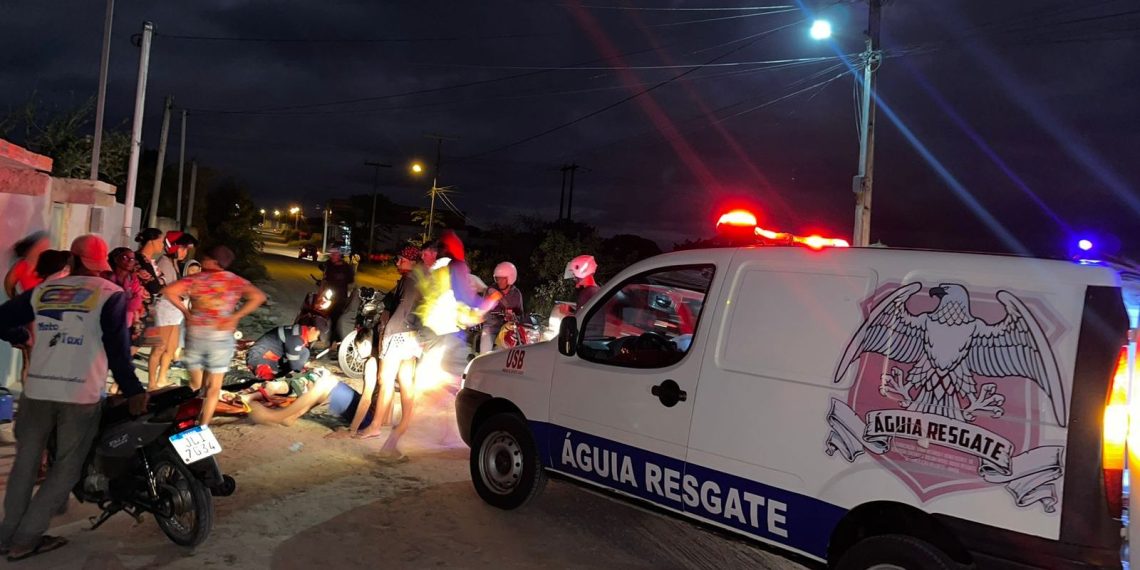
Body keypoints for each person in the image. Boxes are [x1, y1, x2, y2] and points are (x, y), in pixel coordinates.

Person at [0, 235, 147, 562]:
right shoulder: (110, 294)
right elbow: (118, 351)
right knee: (66, 467)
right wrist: (134, 391)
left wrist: (21, 337)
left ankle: (7, 535)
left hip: (37, 390)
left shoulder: (43, 290)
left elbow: (1, 319)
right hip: (80, 394)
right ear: (99, 265)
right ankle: (26, 538)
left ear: (72, 260)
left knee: (25, 463)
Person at [161, 245, 266, 426]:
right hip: (221, 337)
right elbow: (258, 297)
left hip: (197, 336)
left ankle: (185, 420)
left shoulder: (195, 279)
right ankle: (202, 427)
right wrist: (235, 316)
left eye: (206, 257)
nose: (202, 260)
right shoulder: (233, 281)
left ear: (214, 262)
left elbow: (168, 291)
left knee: (195, 385)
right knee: (213, 389)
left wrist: (186, 312)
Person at [356, 246, 423, 443]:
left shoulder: (409, 281)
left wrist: (386, 337)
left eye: (401, 259)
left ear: (411, 261)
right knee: (405, 382)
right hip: (411, 336)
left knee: (385, 380)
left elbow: (401, 310)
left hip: (398, 336)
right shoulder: (415, 281)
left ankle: (375, 426)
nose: (397, 262)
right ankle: (403, 423)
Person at [246, 368, 375, 433]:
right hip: (366, 416)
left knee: (326, 383)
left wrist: (351, 432)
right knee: (324, 382)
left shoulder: (372, 361)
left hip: (365, 418)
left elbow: (366, 400)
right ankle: (292, 415)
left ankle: (275, 416)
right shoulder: (377, 358)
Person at [148, 232, 196, 390]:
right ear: (174, 247)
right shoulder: (164, 263)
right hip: (164, 312)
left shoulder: (173, 263)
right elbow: (166, 289)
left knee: (171, 348)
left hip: (173, 313)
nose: (185, 252)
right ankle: (151, 383)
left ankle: (162, 378)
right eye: (183, 248)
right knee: (158, 348)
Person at [245, 324, 321, 382]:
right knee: (269, 382)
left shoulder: (299, 331)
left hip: (271, 358)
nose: (316, 338)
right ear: (313, 329)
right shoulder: (296, 338)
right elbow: (295, 366)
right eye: (318, 335)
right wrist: (303, 371)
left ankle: (281, 376)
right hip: (259, 357)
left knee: (305, 352)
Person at [480, 261, 524, 353]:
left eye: (502, 278)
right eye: (497, 278)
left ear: (510, 278)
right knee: (485, 352)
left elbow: (520, 314)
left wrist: (513, 317)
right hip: (491, 327)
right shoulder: (491, 290)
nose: (498, 281)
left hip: (508, 329)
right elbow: (483, 308)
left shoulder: (516, 294)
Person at [107, 247, 146, 348]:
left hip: (127, 323)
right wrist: (130, 301)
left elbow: (136, 303)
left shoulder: (132, 278)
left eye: (132, 259)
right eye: (125, 257)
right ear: (116, 259)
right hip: (109, 323)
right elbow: (113, 303)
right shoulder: (108, 277)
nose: (129, 261)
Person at [320, 249, 355, 345]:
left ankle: (334, 342)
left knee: (334, 320)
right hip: (329, 298)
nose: (332, 256)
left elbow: (351, 283)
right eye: (331, 254)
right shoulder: (330, 266)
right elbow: (325, 280)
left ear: (339, 255)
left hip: (341, 299)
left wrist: (349, 298)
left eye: (334, 254)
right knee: (332, 320)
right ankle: (336, 343)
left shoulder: (346, 268)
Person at [3, 231, 50, 299]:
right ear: (32, 248)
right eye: (41, 246)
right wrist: (16, 300)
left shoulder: (50, 264)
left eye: (46, 246)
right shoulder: (22, 266)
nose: (45, 248)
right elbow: (8, 285)